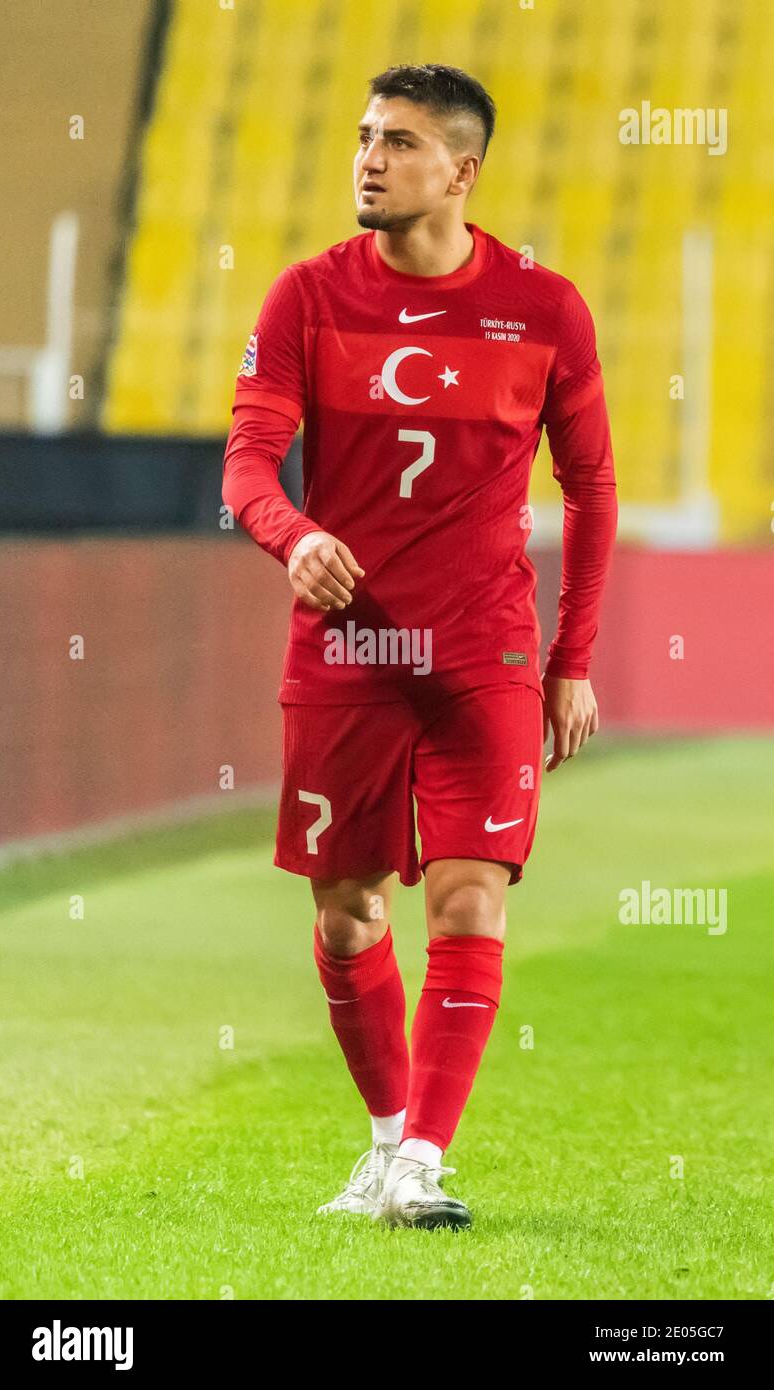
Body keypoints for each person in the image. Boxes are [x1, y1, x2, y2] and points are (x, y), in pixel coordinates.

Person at [222, 63, 617, 1230]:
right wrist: (291, 536)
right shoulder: (307, 296)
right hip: (345, 654)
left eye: (396, 140)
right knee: (347, 918)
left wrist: (571, 659)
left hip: (482, 656)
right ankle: (388, 1140)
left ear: (462, 169)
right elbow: (248, 457)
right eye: (361, 136)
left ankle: (423, 1163)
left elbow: (591, 489)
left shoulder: (546, 309)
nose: (369, 158)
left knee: (467, 903)